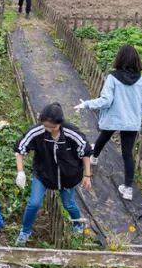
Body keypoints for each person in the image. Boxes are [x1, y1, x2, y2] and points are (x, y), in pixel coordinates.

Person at [74, 45, 142, 201]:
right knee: (127, 154)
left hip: (114, 119)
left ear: (119, 58)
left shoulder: (113, 78)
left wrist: (86, 104)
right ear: (136, 60)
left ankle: (94, 157)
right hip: (131, 122)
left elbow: (106, 101)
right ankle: (127, 189)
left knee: (104, 136)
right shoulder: (140, 79)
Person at [14, 103, 93, 245]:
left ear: (60, 123)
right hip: (43, 173)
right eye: (46, 126)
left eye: (53, 127)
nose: (49, 129)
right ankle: (25, 231)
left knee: (68, 204)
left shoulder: (71, 133)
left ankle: (78, 225)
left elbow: (85, 153)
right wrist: (20, 172)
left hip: (68, 175)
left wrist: (87, 176)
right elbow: (20, 149)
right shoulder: (36, 132)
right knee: (34, 203)